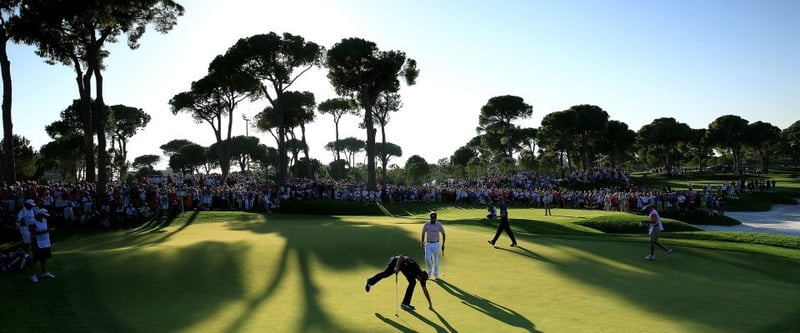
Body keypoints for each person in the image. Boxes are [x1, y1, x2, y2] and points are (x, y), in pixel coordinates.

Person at [365, 255, 433, 311]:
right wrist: (397, 267)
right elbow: (401, 257)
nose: (420, 281)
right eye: (420, 279)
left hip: (404, 268)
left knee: (412, 282)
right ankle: (370, 281)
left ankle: (405, 304)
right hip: (397, 261)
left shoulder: (421, 278)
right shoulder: (413, 267)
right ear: (419, 275)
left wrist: (430, 304)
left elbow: (425, 290)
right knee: (385, 274)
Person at [29, 208, 56, 282]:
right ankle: (33, 275)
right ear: (40, 214)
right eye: (44, 215)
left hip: (46, 241)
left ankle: (45, 273)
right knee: (35, 259)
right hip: (37, 242)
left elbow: (44, 229)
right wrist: (46, 231)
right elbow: (33, 233)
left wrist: (48, 230)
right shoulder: (32, 221)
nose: (45, 217)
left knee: (44, 258)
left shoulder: (44, 220)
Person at [420, 212, 446, 280]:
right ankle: (429, 272)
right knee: (427, 258)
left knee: (436, 260)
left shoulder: (439, 224)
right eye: (431, 218)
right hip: (428, 244)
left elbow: (443, 233)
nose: (433, 219)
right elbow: (423, 234)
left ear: (436, 218)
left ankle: (436, 275)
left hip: (436, 244)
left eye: (434, 218)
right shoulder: (426, 224)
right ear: (430, 218)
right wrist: (422, 243)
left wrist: (443, 244)